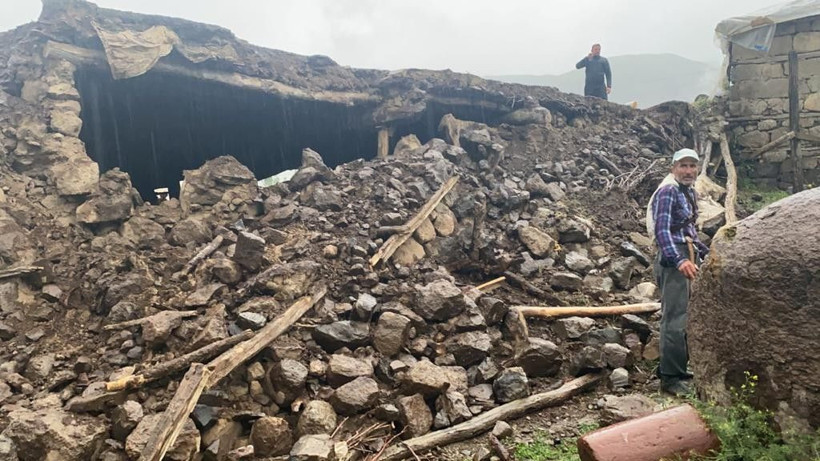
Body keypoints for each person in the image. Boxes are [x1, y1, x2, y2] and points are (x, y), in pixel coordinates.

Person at [647, 148, 709, 396]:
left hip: (688, 253)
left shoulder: (688, 192)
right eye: (683, 166)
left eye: (692, 166)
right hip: (674, 260)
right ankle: (670, 377)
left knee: (685, 316)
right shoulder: (668, 191)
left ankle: (680, 368)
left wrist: (707, 251)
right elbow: (663, 232)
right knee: (674, 319)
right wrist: (679, 260)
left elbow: (688, 230)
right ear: (673, 168)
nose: (688, 171)